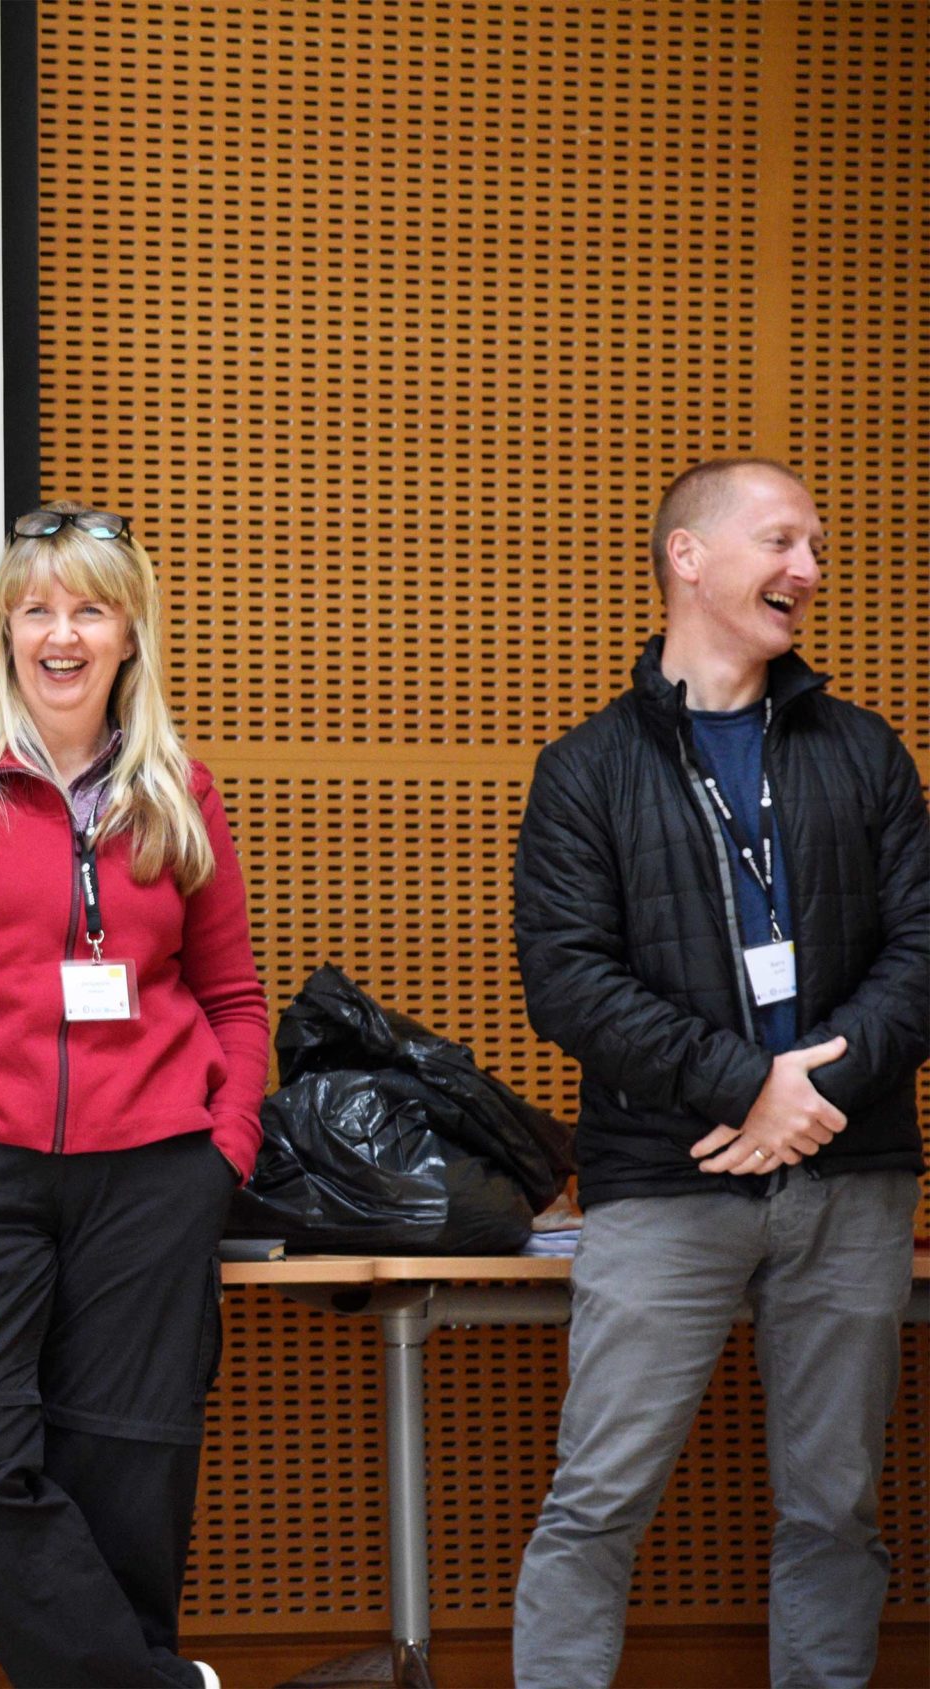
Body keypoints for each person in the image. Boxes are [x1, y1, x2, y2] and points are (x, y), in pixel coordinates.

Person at [0, 504, 265, 1688]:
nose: (59, 634)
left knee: (128, 1472)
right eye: (36, 609)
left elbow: (233, 996)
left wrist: (222, 1143)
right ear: (4, 629)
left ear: (131, 634)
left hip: (156, 1175)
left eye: (88, 609)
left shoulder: (179, 791)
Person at [510, 458, 929, 1688]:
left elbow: (921, 948)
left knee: (835, 1509)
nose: (808, 568)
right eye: (780, 540)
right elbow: (569, 984)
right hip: (664, 1181)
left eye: (814, 545)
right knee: (597, 1501)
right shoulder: (584, 770)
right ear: (686, 558)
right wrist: (749, 1087)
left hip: (850, 1180)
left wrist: (812, 1099)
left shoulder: (863, 751)